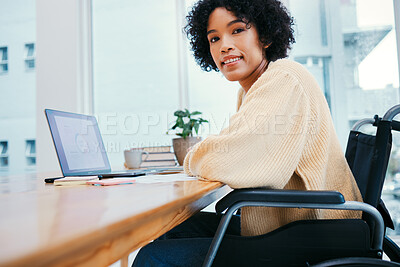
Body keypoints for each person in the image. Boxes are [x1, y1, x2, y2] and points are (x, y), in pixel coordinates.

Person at [133, 0, 362, 265]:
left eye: (237, 30)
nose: (224, 45)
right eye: (214, 38)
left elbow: (230, 159)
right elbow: (229, 146)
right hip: (287, 225)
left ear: (264, 36)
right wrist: (209, 153)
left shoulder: (284, 79)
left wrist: (195, 155)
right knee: (173, 230)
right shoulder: (252, 89)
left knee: (153, 258)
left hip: (314, 234)